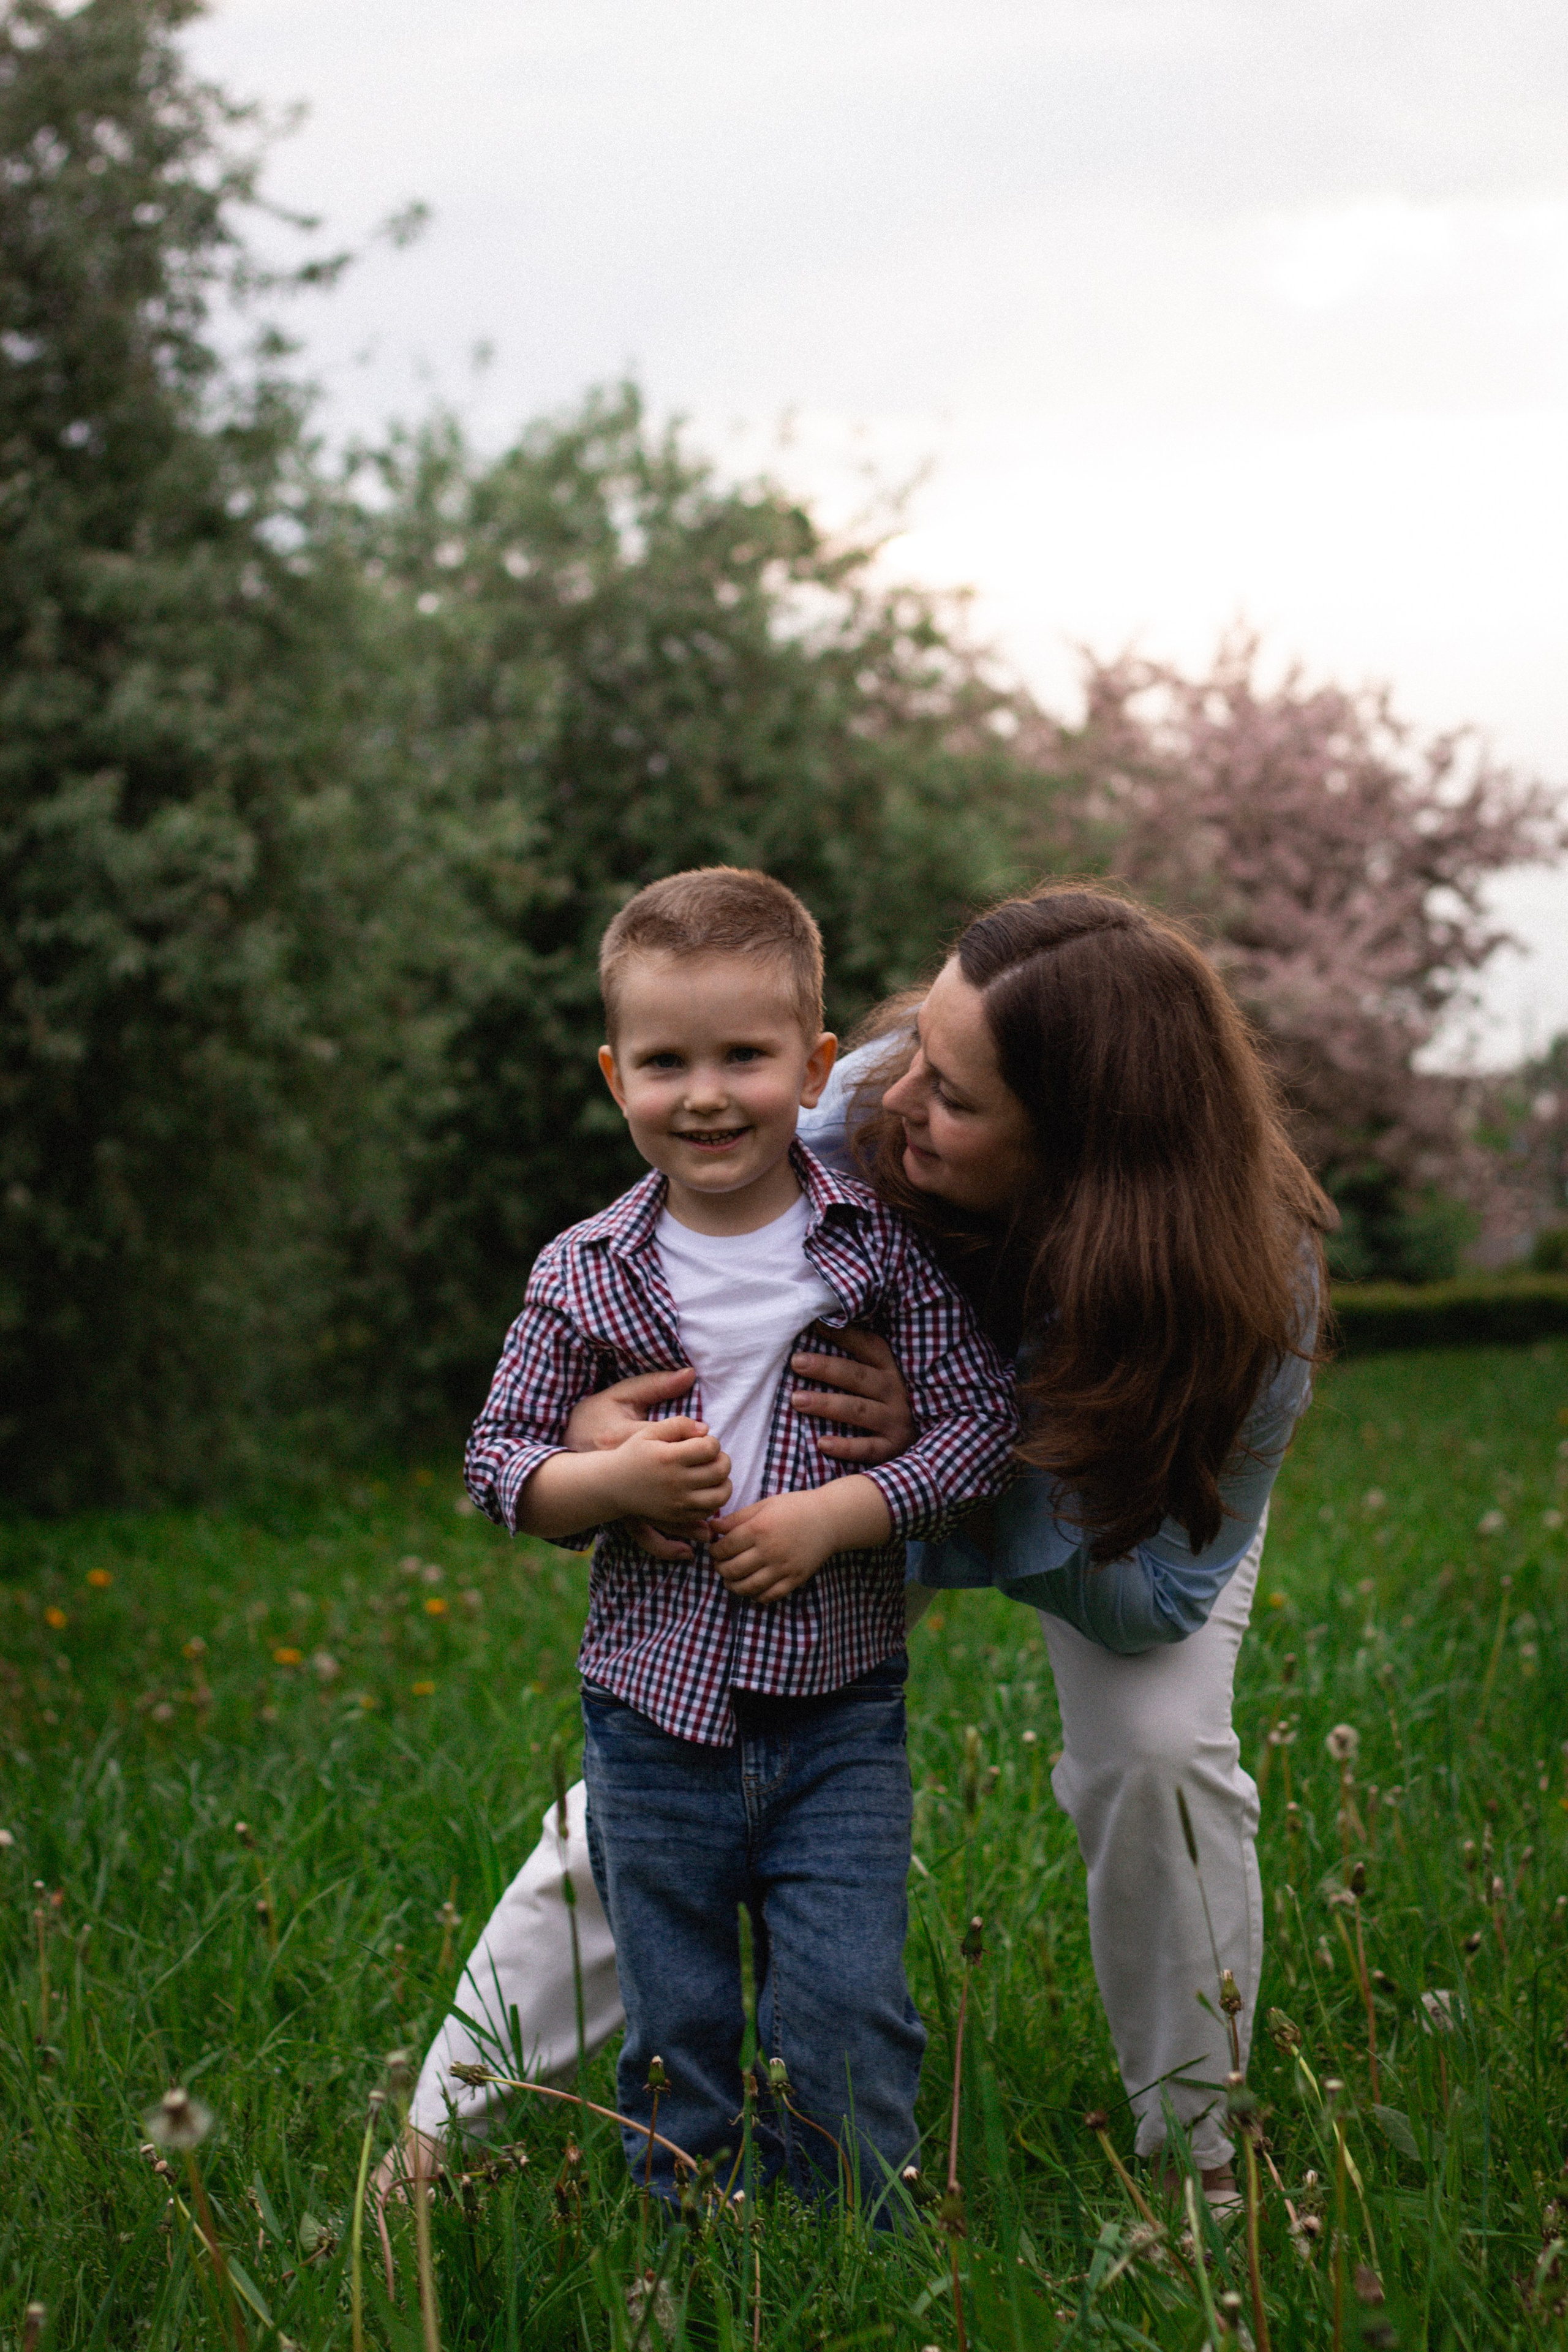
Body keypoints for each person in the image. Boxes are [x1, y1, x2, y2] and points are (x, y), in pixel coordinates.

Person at [395, 881, 1328, 2206]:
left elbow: (1147, 1601)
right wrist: (598, 1442)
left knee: (1158, 1754)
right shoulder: (843, 1116)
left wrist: (936, 1463)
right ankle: (441, 2124)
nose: (895, 1105)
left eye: (952, 1095)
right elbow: (650, 1284)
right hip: (814, 1510)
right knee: (675, 1765)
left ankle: (1199, 2158)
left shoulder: (1242, 1286)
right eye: (911, 1057)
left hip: (1090, 1511)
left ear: (1078, 1148)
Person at [461, 867, 1020, 2207]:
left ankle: (847, 2246)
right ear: (615, 1079)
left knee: (842, 2009)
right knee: (675, 2024)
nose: (704, 1094)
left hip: (837, 1718)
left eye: (745, 1056)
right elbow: (498, 1463)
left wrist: (837, 1516)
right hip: (651, 1725)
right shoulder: (582, 1270)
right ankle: (681, 2251)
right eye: (665, 1062)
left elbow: (974, 1430)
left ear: (816, 1065)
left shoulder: (876, 1250)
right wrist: (610, 1488)